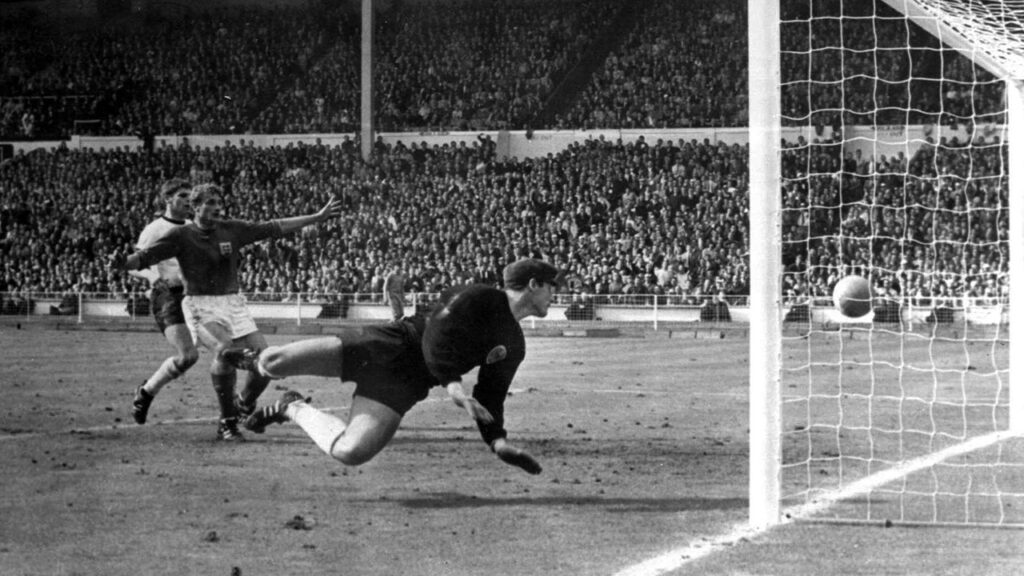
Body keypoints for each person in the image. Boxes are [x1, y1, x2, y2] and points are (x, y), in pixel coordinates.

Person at [221, 258, 564, 474]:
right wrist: (453, 384)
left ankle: (291, 407)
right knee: (272, 361)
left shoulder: (514, 344)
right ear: (533, 284)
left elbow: (491, 395)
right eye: (552, 286)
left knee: (351, 452)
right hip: (389, 344)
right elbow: (436, 337)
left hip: (406, 382)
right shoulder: (477, 296)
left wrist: (497, 441)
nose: (555, 294)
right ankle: (249, 360)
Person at [122, 183, 342, 441]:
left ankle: (242, 405)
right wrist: (124, 263)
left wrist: (317, 217)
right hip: (199, 304)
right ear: (196, 206)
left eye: (219, 202)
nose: (217, 207)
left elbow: (274, 226)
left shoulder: (232, 229)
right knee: (225, 350)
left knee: (267, 363)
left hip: (234, 304)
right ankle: (227, 423)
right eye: (211, 203)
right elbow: (142, 258)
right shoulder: (180, 235)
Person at [128, 178, 200, 424]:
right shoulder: (154, 229)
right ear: (168, 199)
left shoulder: (193, 226)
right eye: (183, 195)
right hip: (167, 296)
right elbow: (133, 266)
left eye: (191, 196)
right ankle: (147, 391)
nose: (188, 201)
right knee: (187, 356)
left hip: (194, 295)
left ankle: (233, 413)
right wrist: (154, 277)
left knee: (227, 349)